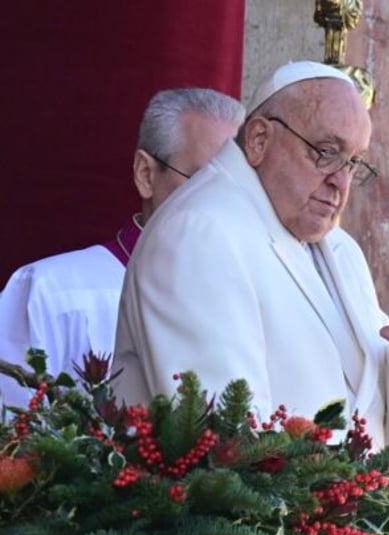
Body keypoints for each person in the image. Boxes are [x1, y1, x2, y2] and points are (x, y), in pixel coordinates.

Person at [113, 61, 389, 450]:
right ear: (259, 140)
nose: (340, 181)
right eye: (325, 152)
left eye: (353, 162)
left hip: (343, 507)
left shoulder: (340, 249)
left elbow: (374, 417)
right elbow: (222, 443)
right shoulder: (199, 232)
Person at [0, 88, 245, 408]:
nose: (228, 205)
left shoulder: (251, 299)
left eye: (241, 187)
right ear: (146, 174)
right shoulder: (52, 295)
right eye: (205, 182)